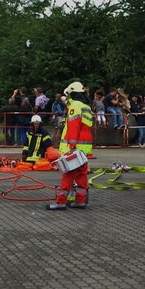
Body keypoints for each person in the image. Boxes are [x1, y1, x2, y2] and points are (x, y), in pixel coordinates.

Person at [48, 82, 94, 211]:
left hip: (75, 145)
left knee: (68, 173)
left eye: (67, 95)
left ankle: (61, 201)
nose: (66, 98)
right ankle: (80, 200)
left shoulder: (75, 105)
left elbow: (74, 126)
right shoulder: (86, 106)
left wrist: (72, 146)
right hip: (84, 146)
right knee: (81, 174)